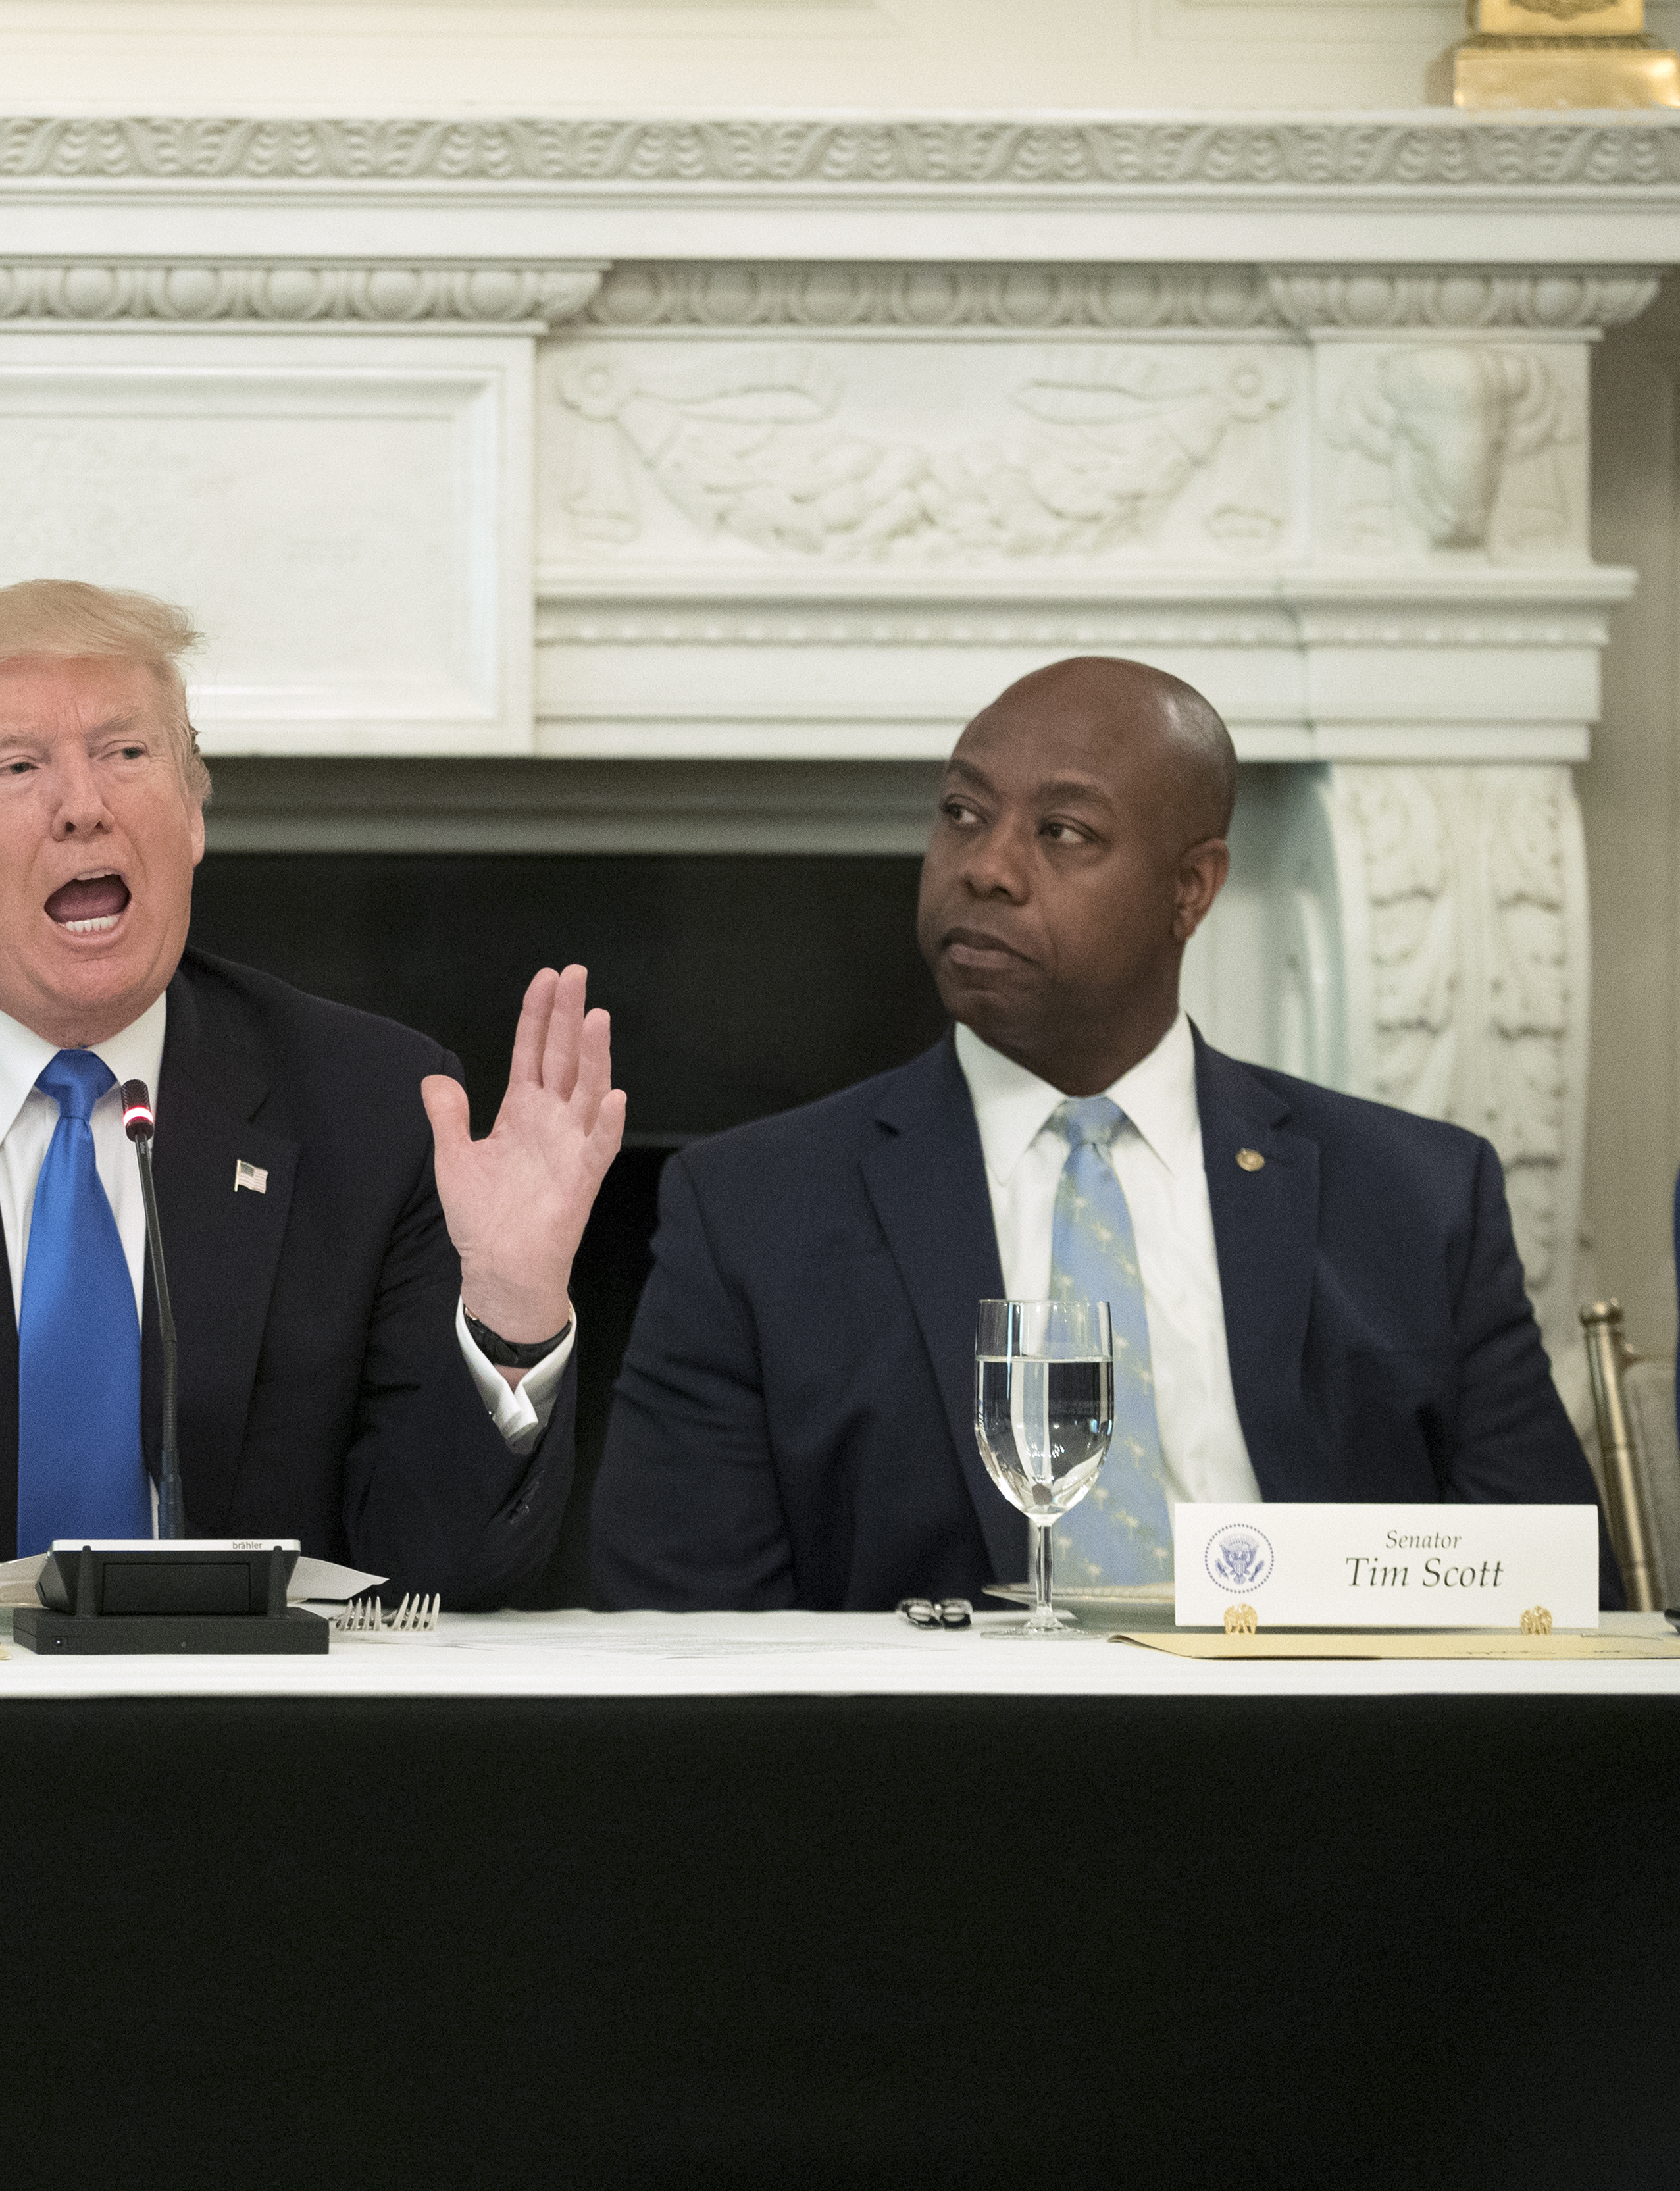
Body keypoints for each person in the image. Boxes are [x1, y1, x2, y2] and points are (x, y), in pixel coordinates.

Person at [0, 580, 623, 1616]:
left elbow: (444, 1574)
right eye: (18, 766)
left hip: (249, 1753)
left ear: (194, 811)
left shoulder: (369, 1104)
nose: (85, 804)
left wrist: (512, 1316)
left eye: (128, 755)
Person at [592, 656, 1597, 1611]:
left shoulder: (1417, 1196)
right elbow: (687, 1631)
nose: (986, 867)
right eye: (961, 814)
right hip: (931, 1777)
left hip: (1326, 1763)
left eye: (1063, 832)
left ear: (1191, 889)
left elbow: (1555, 1590)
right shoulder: (751, 1209)